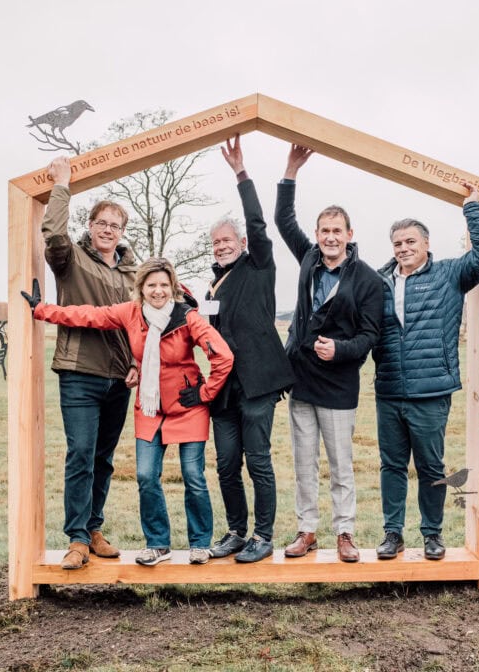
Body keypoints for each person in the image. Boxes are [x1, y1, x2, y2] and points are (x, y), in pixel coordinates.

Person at [22, 258, 233, 567]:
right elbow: (89, 316)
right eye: (151, 285)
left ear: (172, 287)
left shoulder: (187, 317)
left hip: (187, 406)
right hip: (150, 406)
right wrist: (42, 310)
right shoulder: (130, 313)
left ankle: (200, 543)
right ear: (141, 288)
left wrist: (204, 392)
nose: (158, 291)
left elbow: (223, 356)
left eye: (163, 285)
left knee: (193, 476)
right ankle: (158, 544)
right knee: (147, 476)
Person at [371, 181, 479, 561]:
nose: (403, 248)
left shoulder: (449, 275)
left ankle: (432, 535)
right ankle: (392, 535)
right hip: (389, 390)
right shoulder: (379, 282)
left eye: (410, 241)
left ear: (426, 244)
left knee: (431, 467)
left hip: (431, 392)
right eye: (397, 243)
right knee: (391, 466)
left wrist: (472, 208)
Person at [274, 144, 383, 563]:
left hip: (338, 385)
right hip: (301, 380)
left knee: (340, 466)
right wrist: (290, 170)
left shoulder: (369, 280)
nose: (330, 237)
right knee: (305, 465)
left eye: (338, 231)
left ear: (349, 235)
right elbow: (284, 220)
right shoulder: (307, 258)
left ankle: (345, 533)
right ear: (317, 235)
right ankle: (307, 531)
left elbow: (369, 336)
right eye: (324, 231)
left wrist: (339, 349)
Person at [41, 156, 139, 570]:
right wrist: (61, 186)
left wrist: (137, 361)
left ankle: (95, 528)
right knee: (80, 453)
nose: (107, 230)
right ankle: (77, 539)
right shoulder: (71, 260)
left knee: (103, 457)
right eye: (101, 222)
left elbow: (140, 323)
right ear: (91, 226)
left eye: (114, 225)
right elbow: (53, 233)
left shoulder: (133, 273)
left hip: (119, 378)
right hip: (80, 372)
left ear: (121, 233)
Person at [203, 135, 297, 563]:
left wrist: (242, 175)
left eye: (227, 240)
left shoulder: (259, 263)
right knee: (226, 464)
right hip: (224, 388)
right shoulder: (212, 285)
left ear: (240, 243)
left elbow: (258, 223)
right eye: (216, 243)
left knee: (258, 460)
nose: (221, 246)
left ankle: (263, 536)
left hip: (259, 382)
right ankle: (237, 532)